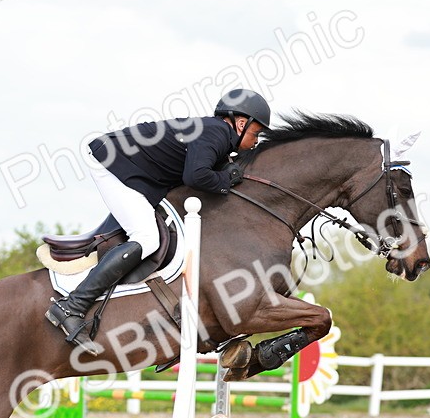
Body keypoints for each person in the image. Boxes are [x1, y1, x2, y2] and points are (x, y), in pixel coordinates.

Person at [45, 88, 271, 354]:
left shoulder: (216, 135)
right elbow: (196, 176)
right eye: (256, 133)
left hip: (136, 171)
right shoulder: (217, 132)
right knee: (147, 238)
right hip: (112, 161)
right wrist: (226, 179)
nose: (256, 141)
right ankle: (71, 306)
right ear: (241, 123)